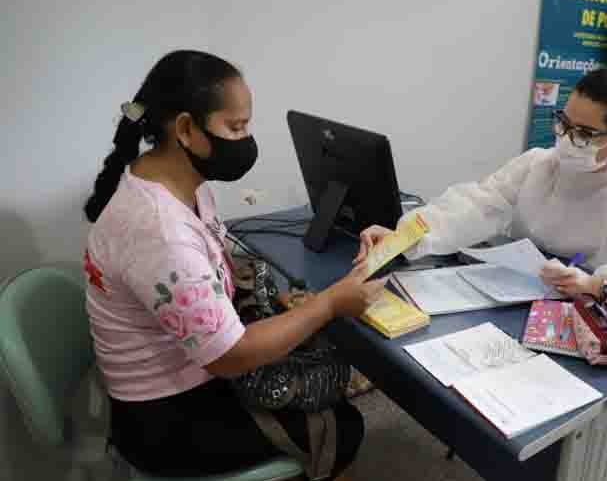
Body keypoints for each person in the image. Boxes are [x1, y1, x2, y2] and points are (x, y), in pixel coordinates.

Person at [355, 67, 607, 480]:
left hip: (603, 328)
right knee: (504, 415)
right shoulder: (540, 165)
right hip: (526, 307)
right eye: (564, 124)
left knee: (606, 450)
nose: (567, 141)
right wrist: (401, 236)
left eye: (585, 134)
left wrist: (599, 283)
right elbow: (475, 205)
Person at [84, 50, 385, 480]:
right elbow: (228, 357)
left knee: (318, 380)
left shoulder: (173, 182)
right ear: (186, 129)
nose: (245, 139)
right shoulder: (159, 229)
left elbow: (203, 277)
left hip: (179, 379)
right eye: (236, 126)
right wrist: (330, 304)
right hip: (164, 418)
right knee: (340, 427)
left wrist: (286, 303)